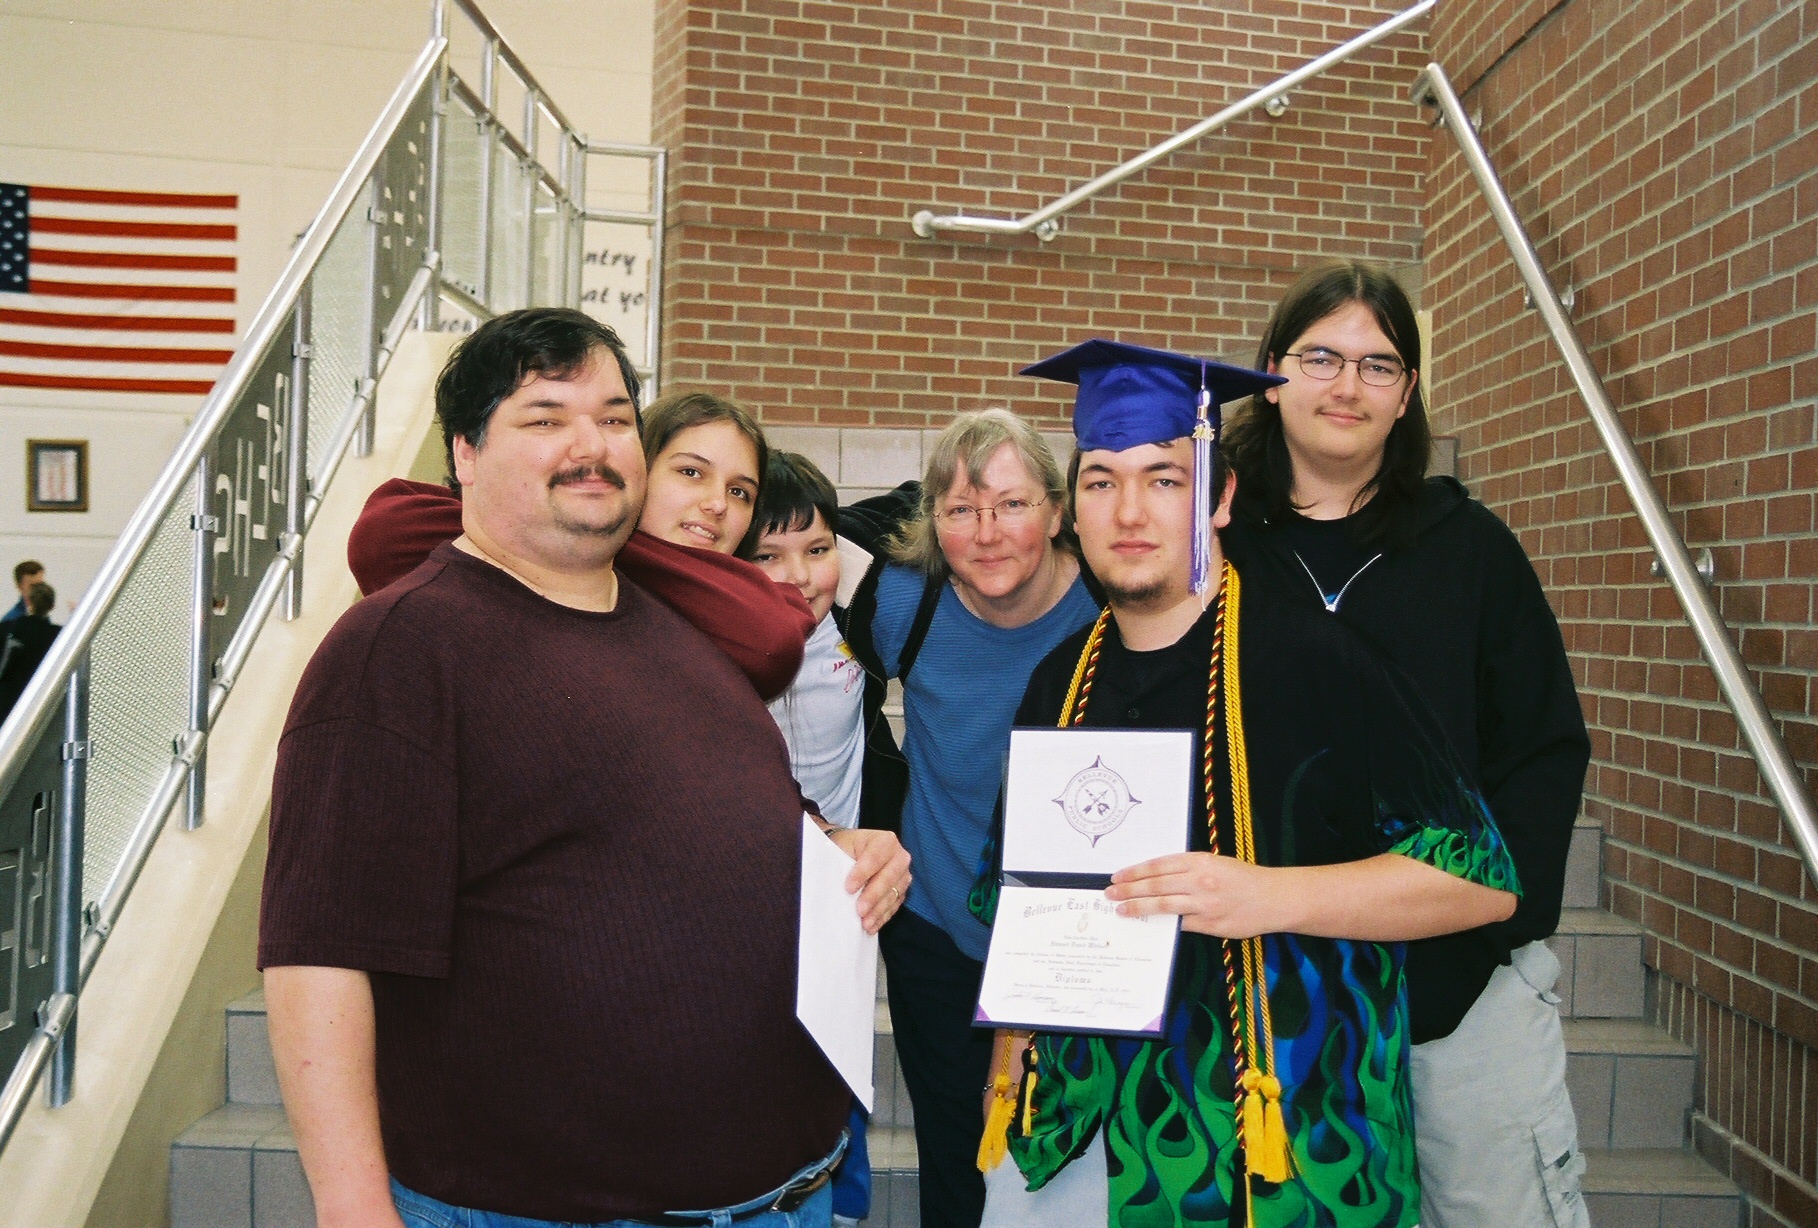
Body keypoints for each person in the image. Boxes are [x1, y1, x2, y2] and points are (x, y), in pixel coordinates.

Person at [259, 307, 911, 1228]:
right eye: (545, 417)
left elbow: (723, 815)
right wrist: (354, 1206)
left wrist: (836, 844)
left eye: (613, 418)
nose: (591, 445)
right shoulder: (400, 648)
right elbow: (319, 952)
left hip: (783, 1195)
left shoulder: (679, 630)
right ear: (466, 454)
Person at [976, 339, 1520, 1228]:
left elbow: (1480, 882)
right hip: (1089, 1141)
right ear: (1073, 511)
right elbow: (1021, 899)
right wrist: (1010, 1061)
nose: (1129, 511)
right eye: (1102, 481)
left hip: (1290, 1147)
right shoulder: (1060, 683)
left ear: (1221, 497)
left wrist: (1267, 895)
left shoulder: (1320, 664)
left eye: (1164, 478)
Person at [1222, 261, 1592, 1227]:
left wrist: (1490, 924)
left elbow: (1542, 748)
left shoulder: (1470, 549)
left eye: (1378, 365)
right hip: (1273, 1001)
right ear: (1272, 373)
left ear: (1407, 393)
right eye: (1321, 357)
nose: (1347, 385)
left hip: (1457, 994)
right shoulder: (1218, 548)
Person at [840, 408, 1101, 1228]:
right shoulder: (902, 601)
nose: (987, 534)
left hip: (1074, 937)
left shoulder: (1109, 605)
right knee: (956, 1162)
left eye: (1013, 504)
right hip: (938, 928)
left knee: (1063, 1169)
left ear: (1057, 513)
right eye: (961, 510)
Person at [346, 388, 811, 701]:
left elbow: (769, 642)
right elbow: (385, 534)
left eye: (740, 492)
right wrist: (590, 538)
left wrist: (597, 540)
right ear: (636, 468)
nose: (717, 504)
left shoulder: (754, 603)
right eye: (691, 472)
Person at [0, 582, 59, 719]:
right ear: (52, 606)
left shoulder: (8, 628)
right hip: (41, 702)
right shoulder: (58, 635)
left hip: (8, 701)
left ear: (28, 601)